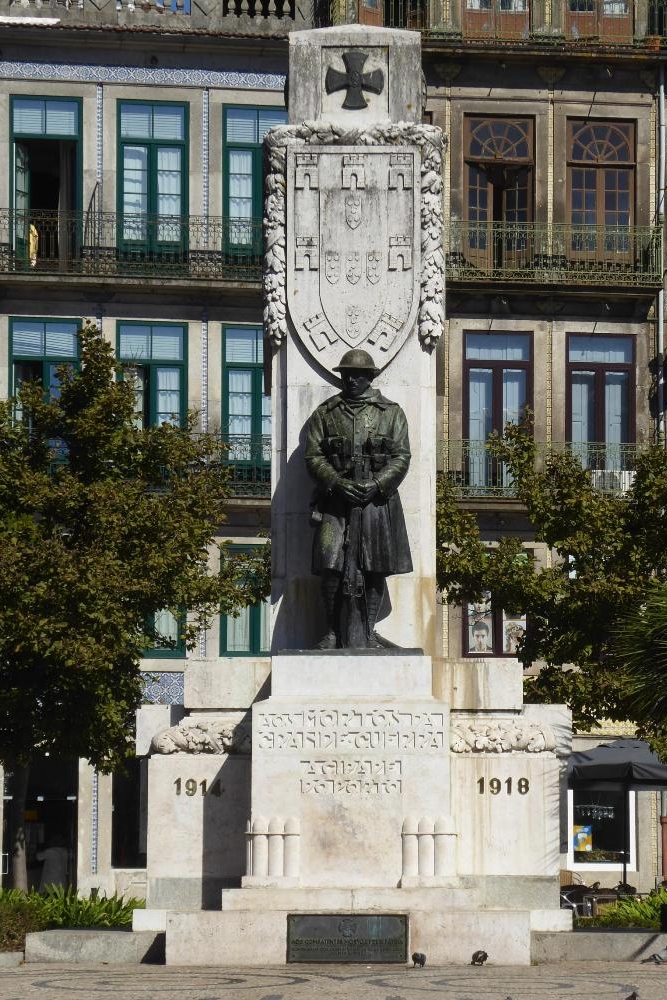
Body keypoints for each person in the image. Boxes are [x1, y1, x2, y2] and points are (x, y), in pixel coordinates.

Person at [304, 349, 413, 648]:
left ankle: (367, 630)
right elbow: (313, 455)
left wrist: (378, 483)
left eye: (358, 375)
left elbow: (401, 457)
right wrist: (336, 482)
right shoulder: (325, 414)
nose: (351, 380)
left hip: (377, 503)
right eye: (346, 374)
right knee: (329, 562)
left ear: (370, 377)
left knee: (375, 565)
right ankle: (331, 631)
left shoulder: (391, 413)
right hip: (336, 502)